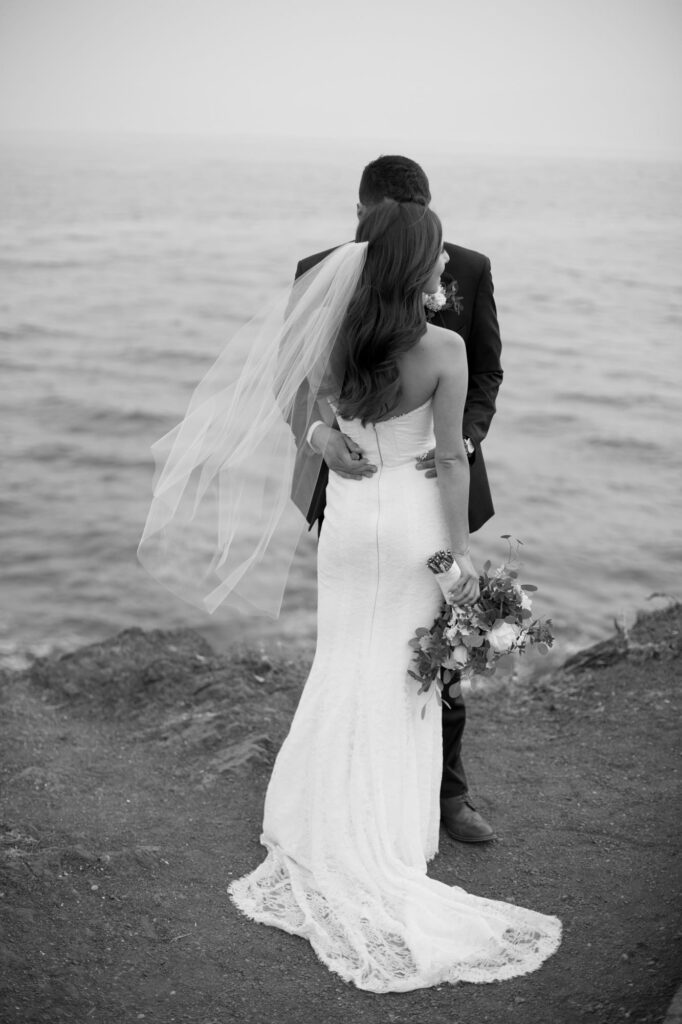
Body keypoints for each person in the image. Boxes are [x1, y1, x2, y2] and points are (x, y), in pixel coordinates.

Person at [225, 202, 561, 991]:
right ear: (421, 266)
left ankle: (310, 819)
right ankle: (383, 835)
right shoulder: (443, 347)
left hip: (347, 523)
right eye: (439, 256)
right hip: (412, 527)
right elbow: (449, 461)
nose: (447, 268)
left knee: (343, 661)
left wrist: (322, 441)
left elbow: (298, 392)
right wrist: (459, 562)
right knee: (399, 680)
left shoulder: (339, 333)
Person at [290, 155, 503, 844]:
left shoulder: (470, 267)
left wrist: (465, 443)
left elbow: (487, 375)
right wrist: (321, 437)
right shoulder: (320, 273)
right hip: (393, 500)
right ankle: (387, 819)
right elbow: (289, 390)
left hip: (384, 503)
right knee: (401, 654)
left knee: (389, 657)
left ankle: (439, 796)